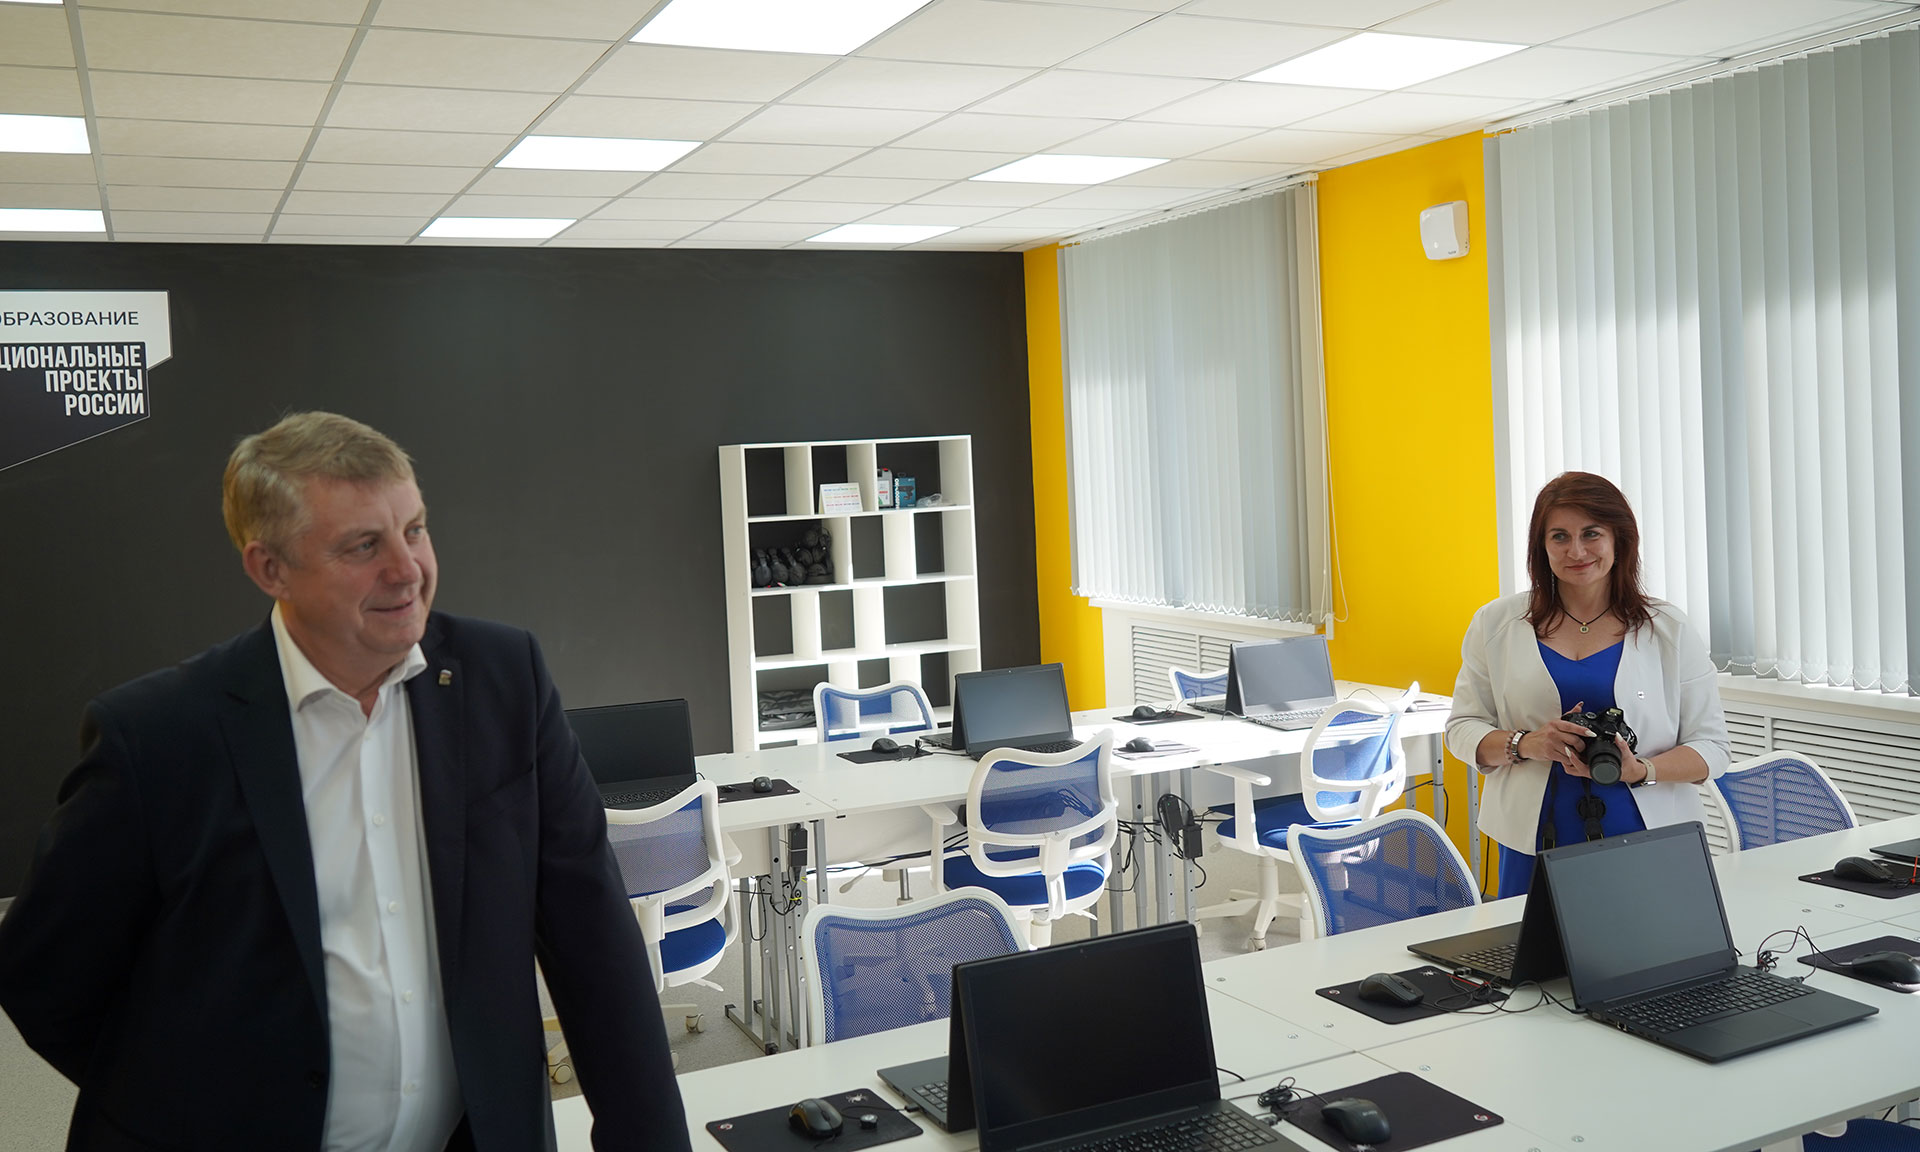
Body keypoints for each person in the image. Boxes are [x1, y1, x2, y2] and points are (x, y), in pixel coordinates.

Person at [0, 412, 691, 1151]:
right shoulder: (160, 736)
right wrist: (183, 1110)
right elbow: (45, 978)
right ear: (270, 568)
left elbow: (595, 940)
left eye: (414, 530)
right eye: (364, 546)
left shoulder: (504, 680)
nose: (407, 569)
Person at [1447, 471, 1729, 898]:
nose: (1576, 551)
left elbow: (1712, 747)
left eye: (1591, 534)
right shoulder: (1496, 623)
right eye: (1559, 536)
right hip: (1532, 836)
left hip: (1646, 833)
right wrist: (1527, 743)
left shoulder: (1668, 628)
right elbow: (1461, 728)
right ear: (1541, 546)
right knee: (1535, 942)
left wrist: (1641, 770)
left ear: (1619, 540)